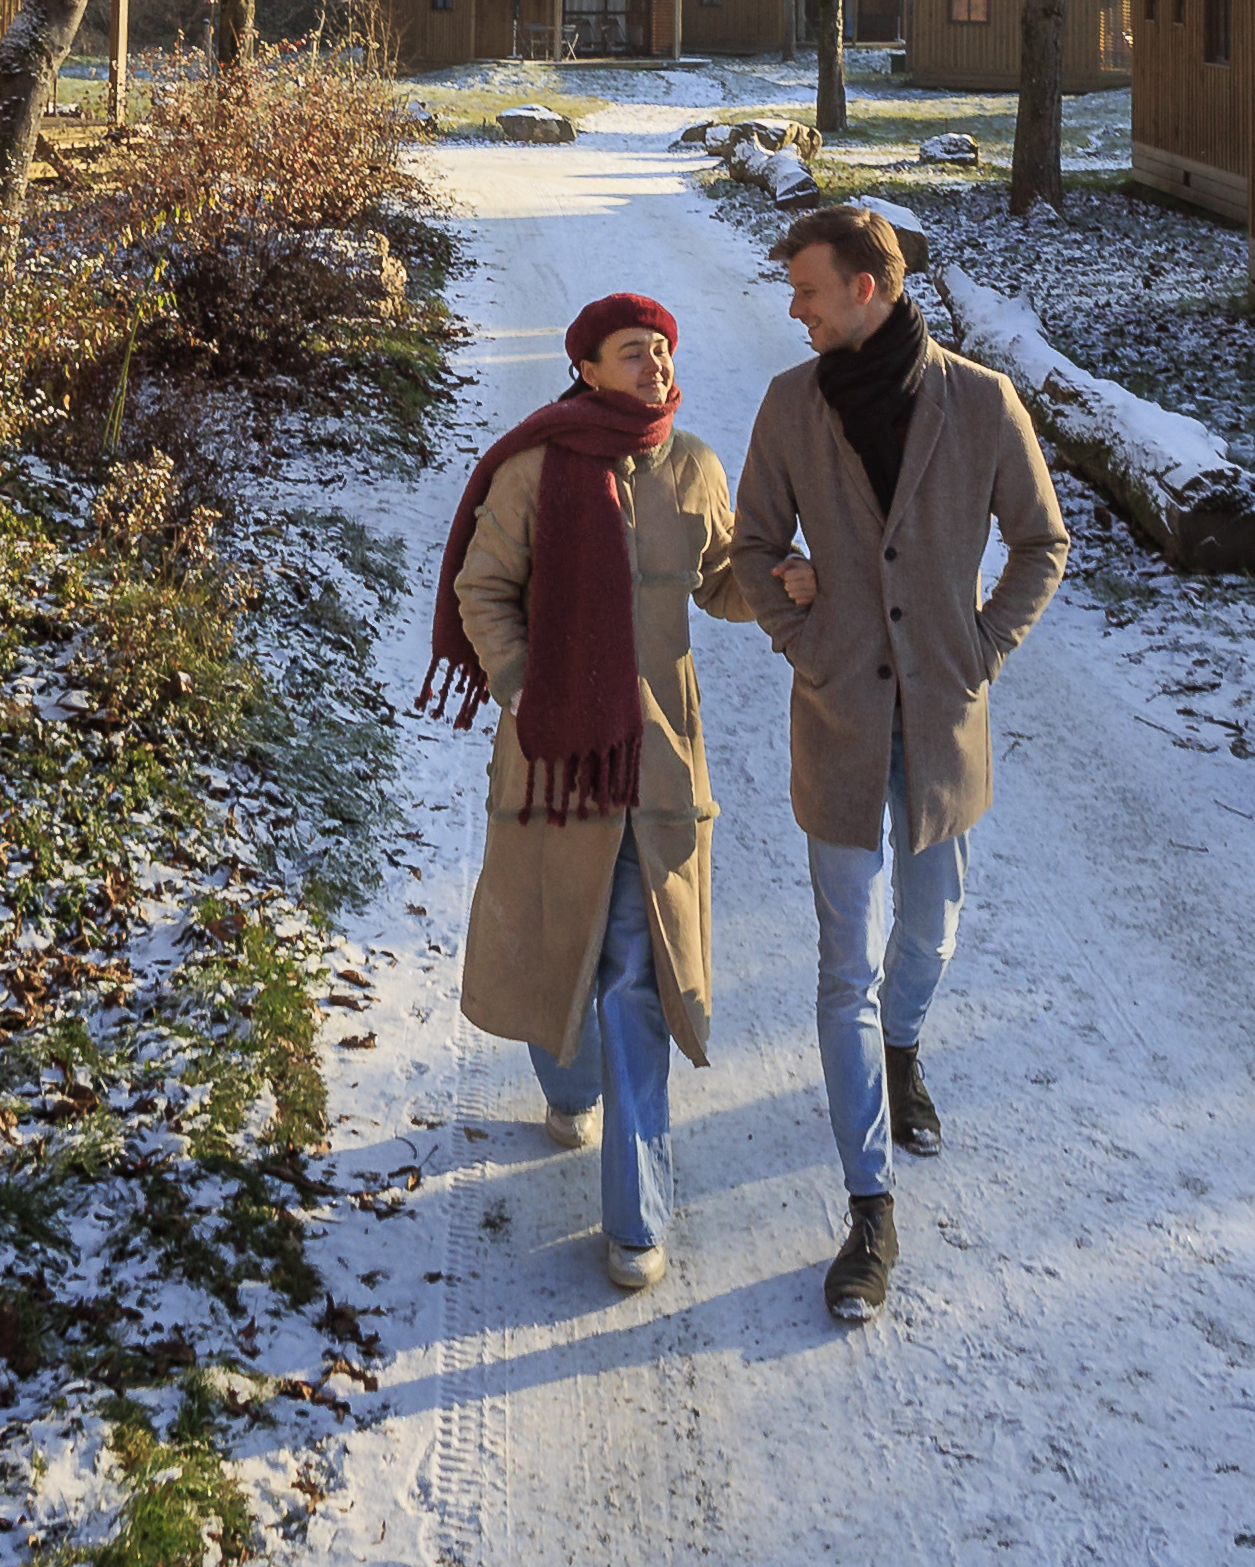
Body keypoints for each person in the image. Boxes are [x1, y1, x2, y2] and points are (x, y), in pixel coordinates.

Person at [730, 198, 1068, 1324]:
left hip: (942, 715)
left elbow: (1042, 538)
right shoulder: (790, 407)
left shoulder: (981, 402)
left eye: (808, 289)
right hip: (837, 719)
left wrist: (981, 645)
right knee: (845, 966)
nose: (795, 307)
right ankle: (869, 1208)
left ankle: (907, 1046)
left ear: (867, 287)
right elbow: (752, 549)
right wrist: (810, 633)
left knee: (932, 922)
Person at [423, 289, 753, 1294]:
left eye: (662, 347)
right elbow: (483, 590)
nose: (654, 363)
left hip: (657, 756)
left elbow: (725, 577)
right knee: (554, 935)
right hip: (554, 757)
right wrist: (527, 689)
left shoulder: (693, 465)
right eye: (632, 350)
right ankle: (565, 1081)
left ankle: (636, 1215)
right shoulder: (532, 469)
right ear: (587, 367)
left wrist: (786, 586)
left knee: (633, 972)